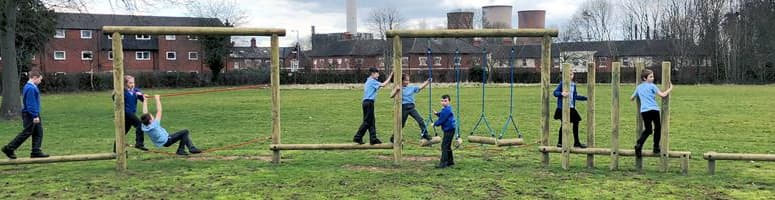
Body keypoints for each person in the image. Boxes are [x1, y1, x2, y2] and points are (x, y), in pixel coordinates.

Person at [2, 71, 49, 159]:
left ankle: (36, 151)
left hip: (31, 113)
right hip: (30, 114)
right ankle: (9, 148)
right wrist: (35, 116)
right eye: (40, 79)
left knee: (38, 132)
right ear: (35, 77)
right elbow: (31, 104)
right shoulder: (31, 88)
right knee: (27, 132)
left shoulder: (30, 86)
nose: (40, 81)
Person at [630, 69, 673, 158]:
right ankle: (656, 147)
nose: (653, 78)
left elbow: (631, 98)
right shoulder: (652, 86)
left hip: (644, 111)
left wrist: (637, 97)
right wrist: (670, 88)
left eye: (652, 76)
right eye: (651, 77)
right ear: (644, 78)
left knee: (648, 130)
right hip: (654, 110)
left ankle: (639, 144)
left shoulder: (639, 87)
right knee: (657, 128)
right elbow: (663, 95)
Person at [353, 67, 393, 145]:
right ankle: (358, 137)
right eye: (377, 73)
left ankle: (373, 138)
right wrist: (391, 76)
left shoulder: (368, 80)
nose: (378, 75)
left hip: (367, 102)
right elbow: (383, 85)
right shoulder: (372, 81)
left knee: (371, 121)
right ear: (373, 73)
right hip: (369, 103)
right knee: (367, 121)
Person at [389, 73, 432, 143]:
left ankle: (425, 134)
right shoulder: (399, 88)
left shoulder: (411, 87)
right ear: (402, 81)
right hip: (403, 108)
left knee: (420, 120)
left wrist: (427, 82)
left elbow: (420, 87)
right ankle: (394, 136)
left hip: (411, 108)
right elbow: (391, 95)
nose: (407, 82)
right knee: (401, 124)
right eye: (406, 80)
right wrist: (396, 90)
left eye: (408, 80)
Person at [553, 70, 588, 148]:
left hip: (571, 107)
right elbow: (555, 93)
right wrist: (561, 93)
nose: (570, 76)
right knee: (564, 124)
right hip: (562, 108)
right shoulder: (562, 84)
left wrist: (586, 98)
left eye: (571, 74)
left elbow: (575, 96)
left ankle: (576, 142)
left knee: (576, 121)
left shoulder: (573, 85)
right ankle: (560, 142)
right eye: (568, 74)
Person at [113, 75, 148, 151]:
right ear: (125, 83)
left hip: (132, 113)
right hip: (125, 113)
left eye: (133, 82)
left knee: (122, 133)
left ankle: (116, 150)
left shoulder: (136, 91)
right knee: (140, 124)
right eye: (130, 83)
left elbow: (142, 99)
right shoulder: (121, 92)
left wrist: (143, 96)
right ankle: (139, 144)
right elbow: (115, 99)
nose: (133, 84)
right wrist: (115, 94)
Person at [433, 94, 457, 168]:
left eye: (445, 101)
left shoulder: (447, 110)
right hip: (450, 129)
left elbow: (442, 120)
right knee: (447, 146)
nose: (443, 102)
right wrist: (437, 114)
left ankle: (443, 164)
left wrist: (435, 124)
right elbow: (442, 115)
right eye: (442, 101)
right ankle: (450, 162)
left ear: (449, 101)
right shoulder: (446, 109)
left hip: (449, 130)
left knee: (444, 146)